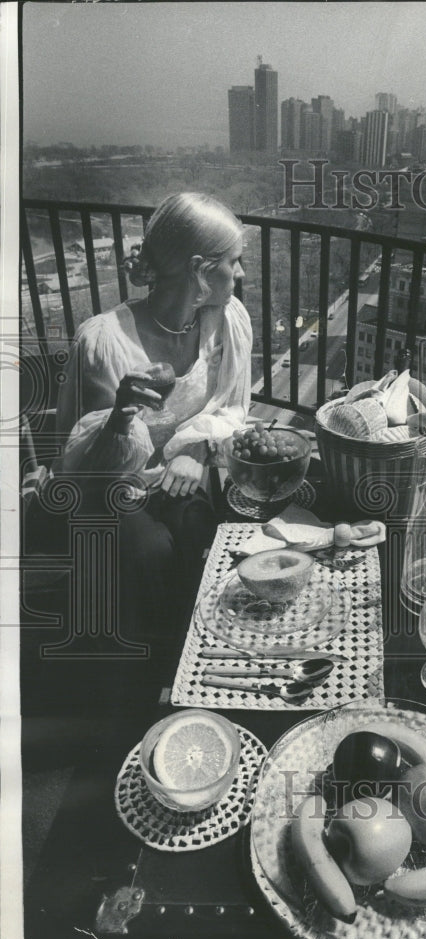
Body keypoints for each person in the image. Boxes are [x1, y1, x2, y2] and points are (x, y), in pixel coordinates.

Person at [51, 191, 253, 650]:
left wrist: (196, 449)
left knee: (198, 526)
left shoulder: (226, 321)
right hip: (112, 482)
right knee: (149, 550)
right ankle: (152, 665)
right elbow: (84, 468)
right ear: (200, 270)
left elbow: (230, 408)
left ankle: (202, 645)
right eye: (234, 262)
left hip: (177, 477)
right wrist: (119, 418)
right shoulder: (105, 342)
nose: (241, 274)